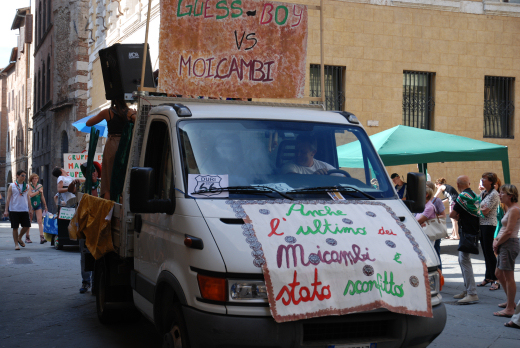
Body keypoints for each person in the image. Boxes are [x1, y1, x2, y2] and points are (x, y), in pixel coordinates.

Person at [86, 99, 136, 199]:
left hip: (112, 145)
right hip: (127, 145)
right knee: (125, 176)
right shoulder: (131, 113)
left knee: (108, 178)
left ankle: (109, 209)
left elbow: (88, 123)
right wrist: (133, 116)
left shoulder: (107, 112)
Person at [449, 175, 480, 304]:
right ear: (469, 183)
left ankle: (472, 293)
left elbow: (452, 214)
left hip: (467, 231)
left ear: (457, 185)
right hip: (473, 230)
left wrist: (458, 216)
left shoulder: (462, 197)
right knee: (463, 259)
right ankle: (468, 289)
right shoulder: (474, 195)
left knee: (464, 260)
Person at [492, 184, 520, 318]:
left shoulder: (514, 210)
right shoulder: (510, 209)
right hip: (505, 243)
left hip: (509, 244)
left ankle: (510, 308)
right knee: (498, 273)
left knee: (509, 277)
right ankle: (511, 302)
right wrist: (497, 240)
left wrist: (497, 242)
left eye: (502, 193)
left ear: (510, 195)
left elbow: (509, 231)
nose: (499, 195)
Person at [477, 172, 500, 290]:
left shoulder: (494, 194)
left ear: (491, 181)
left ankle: (496, 280)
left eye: (484, 178)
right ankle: (488, 277)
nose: (482, 180)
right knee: (485, 251)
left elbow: (485, 211)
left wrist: (478, 209)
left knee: (490, 252)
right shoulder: (483, 193)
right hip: (482, 224)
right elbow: (478, 206)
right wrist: (479, 208)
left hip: (489, 224)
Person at [3, 170, 36, 250]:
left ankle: (19, 237)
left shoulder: (27, 186)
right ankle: (16, 244)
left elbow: (28, 198)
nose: (24, 177)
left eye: (25, 175)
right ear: (17, 176)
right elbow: (8, 198)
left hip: (24, 209)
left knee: (26, 226)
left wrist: (30, 209)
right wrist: (6, 210)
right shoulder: (12, 186)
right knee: (15, 227)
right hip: (14, 209)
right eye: (22, 175)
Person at [426, 181, 447, 270]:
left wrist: (431, 217)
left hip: (433, 229)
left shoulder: (436, 200)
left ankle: (439, 272)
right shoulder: (421, 200)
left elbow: (444, 215)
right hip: (425, 230)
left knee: (436, 252)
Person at [26, 173, 48, 244]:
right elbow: (31, 195)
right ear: (31, 179)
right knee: (29, 221)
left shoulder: (40, 186)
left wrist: (45, 205)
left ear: (38, 179)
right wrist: (38, 191)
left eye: (36, 178)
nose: (35, 180)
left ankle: (42, 237)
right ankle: (27, 237)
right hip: (31, 205)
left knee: (40, 221)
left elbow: (42, 196)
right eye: (33, 178)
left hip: (38, 204)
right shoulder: (29, 186)